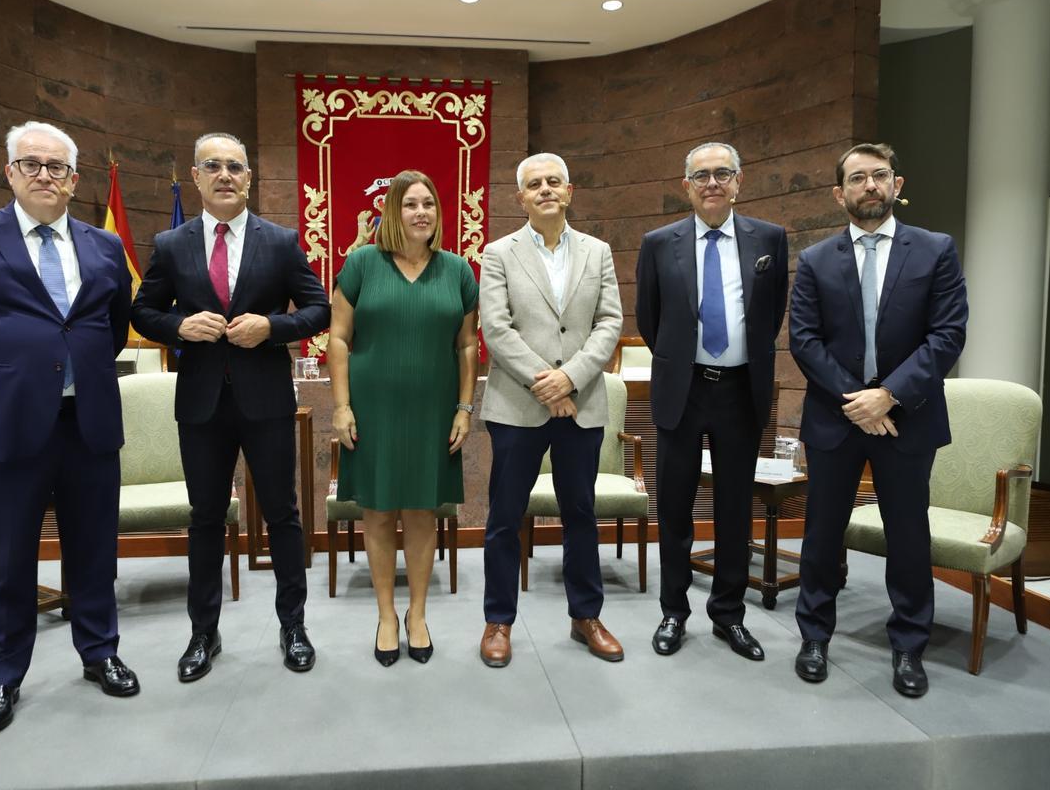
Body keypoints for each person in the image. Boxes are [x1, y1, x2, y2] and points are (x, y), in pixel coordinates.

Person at [0, 120, 138, 735]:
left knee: (94, 548)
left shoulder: (105, 246)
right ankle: (3, 675)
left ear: (74, 179)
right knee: (8, 556)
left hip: (87, 422)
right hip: (5, 426)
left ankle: (101, 651)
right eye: (32, 164)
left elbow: (112, 328)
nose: (45, 174)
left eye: (58, 167)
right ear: (10, 172)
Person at [132, 132, 330, 681]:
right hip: (200, 403)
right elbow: (143, 312)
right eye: (213, 166)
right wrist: (178, 326)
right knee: (205, 519)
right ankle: (204, 633)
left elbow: (319, 310)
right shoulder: (171, 244)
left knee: (284, 515)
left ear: (250, 178)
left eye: (236, 167)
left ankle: (293, 626)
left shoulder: (281, 241)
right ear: (195, 177)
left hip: (265, 400)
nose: (225, 175)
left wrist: (273, 328)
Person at [790, 143, 968, 697]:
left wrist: (888, 395)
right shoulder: (817, 259)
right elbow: (803, 339)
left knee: (909, 536)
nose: (870, 185)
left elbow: (948, 334)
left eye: (880, 176)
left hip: (907, 419)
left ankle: (910, 645)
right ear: (838, 193)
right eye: (858, 178)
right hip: (835, 419)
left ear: (897, 183)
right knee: (821, 534)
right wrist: (858, 399)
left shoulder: (935, 250)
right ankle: (815, 635)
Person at [635, 142, 789, 662]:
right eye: (701, 175)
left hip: (741, 391)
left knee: (733, 510)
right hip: (683, 390)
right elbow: (649, 319)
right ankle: (673, 611)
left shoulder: (770, 239)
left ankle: (729, 614)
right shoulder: (659, 243)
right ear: (686, 185)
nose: (712, 183)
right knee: (676, 509)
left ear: (739, 180)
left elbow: (772, 315)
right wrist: (683, 360)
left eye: (723, 173)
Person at [328, 170, 479, 666]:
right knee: (376, 512)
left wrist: (463, 407)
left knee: (421, 511)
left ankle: (417, 614)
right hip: (373, 409)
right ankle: (386, 615)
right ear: (392, 211)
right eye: (410, 203)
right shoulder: (362, 263)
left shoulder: (458, 270)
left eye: (429, 204)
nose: (421, 212)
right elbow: (339, 338)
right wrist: (343, 404)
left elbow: (466, 344)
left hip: (434, 410)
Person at [479, 153, 624, 667]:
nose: (544, 190)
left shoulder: (598, 251)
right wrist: (548, 383)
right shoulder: (498, 253)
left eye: (553, 182)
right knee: (503, 518)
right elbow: (495, 328)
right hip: (518, 405)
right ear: (520, 198)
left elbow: (610, 322)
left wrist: (572, 378)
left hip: (581, 404)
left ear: (570, 191)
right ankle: (498, 621)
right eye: (533, 184)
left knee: (580, 515)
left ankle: (586, 615)